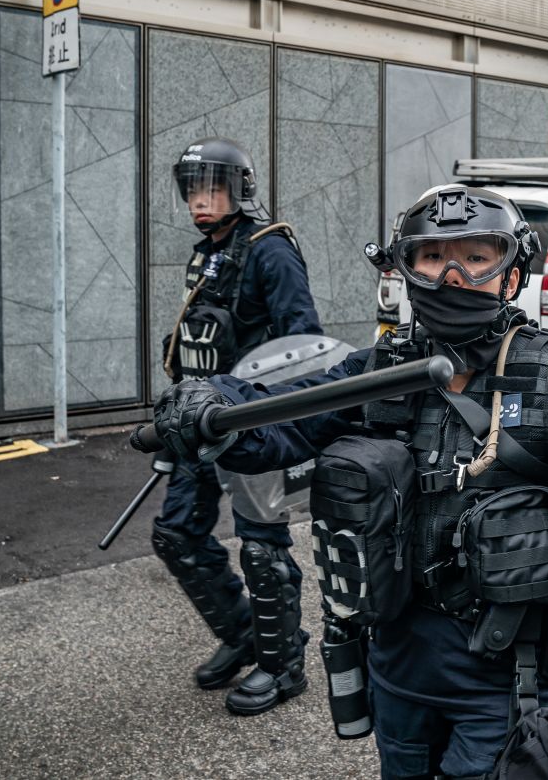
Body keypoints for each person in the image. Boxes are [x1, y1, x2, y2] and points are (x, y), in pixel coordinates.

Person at [149, 185, 548, 779]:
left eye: (476, 258)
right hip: (394, 669)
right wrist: (207, 403)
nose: (453, 277)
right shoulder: (379, 370)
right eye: (433, 258)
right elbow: (275, 418)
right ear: (405, 269)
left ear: (510, 274)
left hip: (503, 683)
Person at [153, 137, 323, 715]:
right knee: (176, 533)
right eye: (193, 188)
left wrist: (266, 416)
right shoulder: (207, 252)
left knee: (261, 547)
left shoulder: (269, 250)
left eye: (213, 187)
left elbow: (302, 342)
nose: (201, 199)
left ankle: (284, 667)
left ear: (239, 190)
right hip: (197, 420)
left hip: (249, 420)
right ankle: (244, 635)